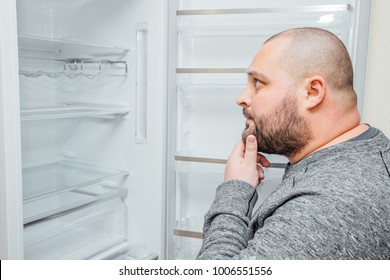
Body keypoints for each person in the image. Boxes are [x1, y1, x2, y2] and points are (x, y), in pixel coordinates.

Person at [196, 27, 390, 260]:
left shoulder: (327, 206)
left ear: (312, 92)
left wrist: (236, 188)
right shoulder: (364, 155)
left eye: (258, 82)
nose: (242, 98)